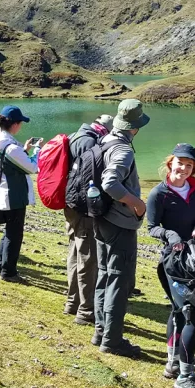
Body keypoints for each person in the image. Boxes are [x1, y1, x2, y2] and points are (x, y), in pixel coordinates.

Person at [147, 143, 195, 388]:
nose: (183, 168)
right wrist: (170, 235)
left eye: (189, 165)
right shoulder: (158, 194)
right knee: (191, 313)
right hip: (172, 261)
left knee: (179, 311)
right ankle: (185, 376)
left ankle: (173, 365)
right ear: (170, 162)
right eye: (180, 163)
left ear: (193, 168)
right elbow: (151, 227)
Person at [92, 99, 149, 358]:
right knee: (119, 278)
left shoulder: (104, 141)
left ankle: (100, 331)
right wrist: (137, 204)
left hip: (101, 217)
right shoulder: (123, 150)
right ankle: (112, 340)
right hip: (119, 221)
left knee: (105, 273)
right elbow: (111, 184)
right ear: (134, 128)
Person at [63, 114, 113, 324]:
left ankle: (72, 302)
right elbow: (89, 180)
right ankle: (85, 310)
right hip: (83, 208)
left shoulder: (77, 135)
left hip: (70, 203)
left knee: (75, 251)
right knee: (88, 258)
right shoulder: (90, 142)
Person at [0, 106, 38, 282]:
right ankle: (9, 273)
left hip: (1, 191)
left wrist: (24, 149)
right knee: (15, 234)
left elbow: (10, 161)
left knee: (9, 231)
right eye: (21, 123)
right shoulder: (10, 148)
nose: (21, 126)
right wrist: (37, 151)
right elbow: (32, 167)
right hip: (13, 194)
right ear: (14, 124)